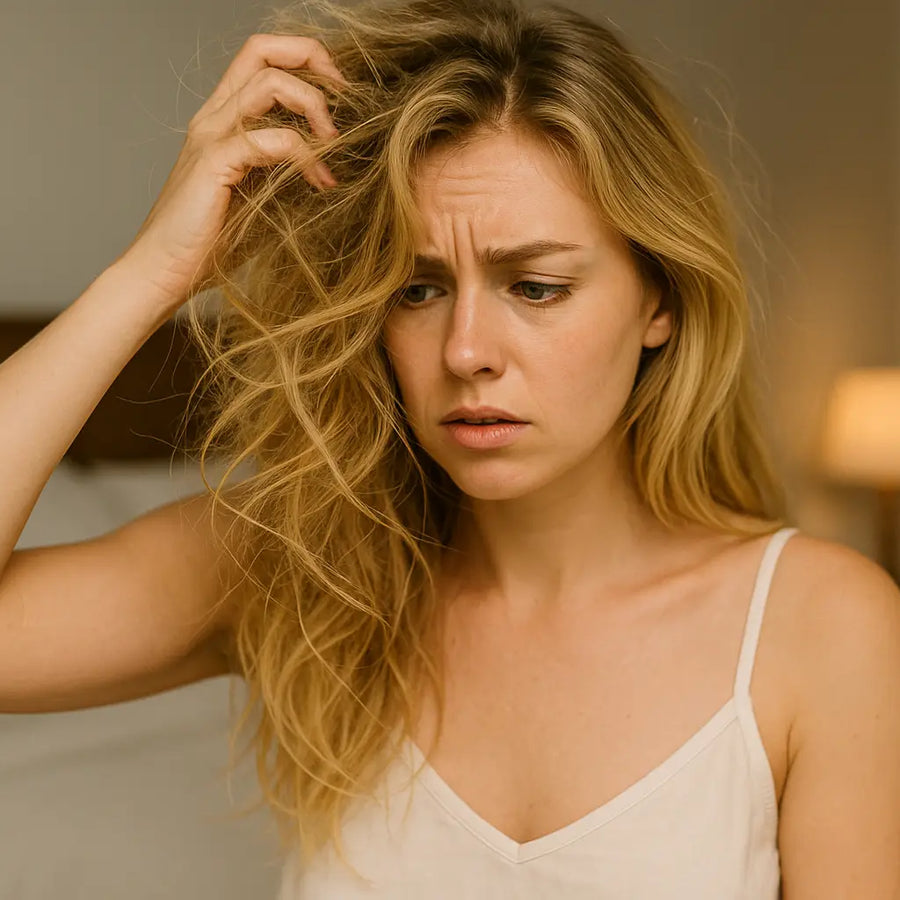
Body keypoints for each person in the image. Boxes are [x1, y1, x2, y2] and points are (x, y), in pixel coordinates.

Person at [1, 0, 898, 896]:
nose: (466, 351)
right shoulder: (303, 567)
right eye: (417, 289)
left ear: (659, 300)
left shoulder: (821, 626)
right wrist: (152, 273)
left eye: (536, 287)